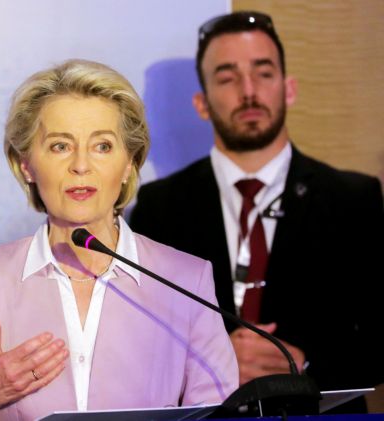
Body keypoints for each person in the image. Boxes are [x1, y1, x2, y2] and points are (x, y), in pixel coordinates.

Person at [0, 59, 238, 421]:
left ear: (129, 162)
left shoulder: (185, 281)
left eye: (102, 146)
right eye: (59, 146)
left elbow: (220, 417)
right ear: (26, 164)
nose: (81, 165)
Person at [130, 10, 384, 413]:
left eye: (263, 73)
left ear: (289, 89)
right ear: (201, 103)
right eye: (227, 78)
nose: (248, 91)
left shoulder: (354, 198)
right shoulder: (158, 207)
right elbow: (141, 343)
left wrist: (303, 364)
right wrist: (208, 359)